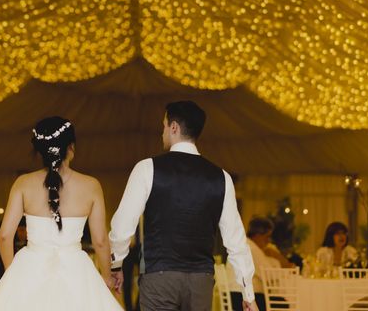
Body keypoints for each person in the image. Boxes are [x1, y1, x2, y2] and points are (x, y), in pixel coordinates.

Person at [109, 101, 258, 311]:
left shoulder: (147, 168)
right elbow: (236, 240)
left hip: (159, 278)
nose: (162, 132)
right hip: (201, 282)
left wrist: (116, 264)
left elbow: (122, 226)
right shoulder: (221, 177)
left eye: (163, 126)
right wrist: (248, 293)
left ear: (174, 127)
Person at [0, 116, 122, 310]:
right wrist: (107, 277)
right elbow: (100, 240)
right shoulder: (91, 185)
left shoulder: (23, 183)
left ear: (40, 151)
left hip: (30, 267)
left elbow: (5, 236)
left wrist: (12, 274)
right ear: (71, 147)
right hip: (76, 269)